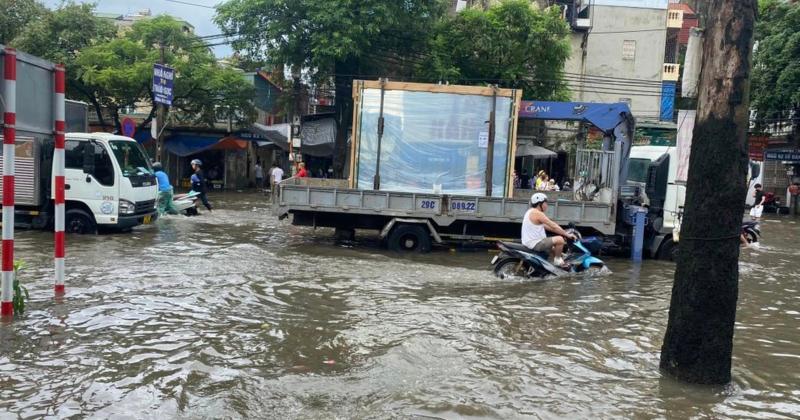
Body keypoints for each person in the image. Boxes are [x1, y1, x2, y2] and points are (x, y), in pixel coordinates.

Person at [522, 193, 577, 268]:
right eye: (545, 203)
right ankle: (557, 261)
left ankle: (551, 267)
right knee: (560, 240)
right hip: (535, 243)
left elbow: (548, 227)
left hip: (530, 242)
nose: (547, 205)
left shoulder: (530, 212)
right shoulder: (537, 213)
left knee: (554, 250)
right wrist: (567, 235)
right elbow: (553, 225)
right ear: (539, 204)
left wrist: (562, 231)